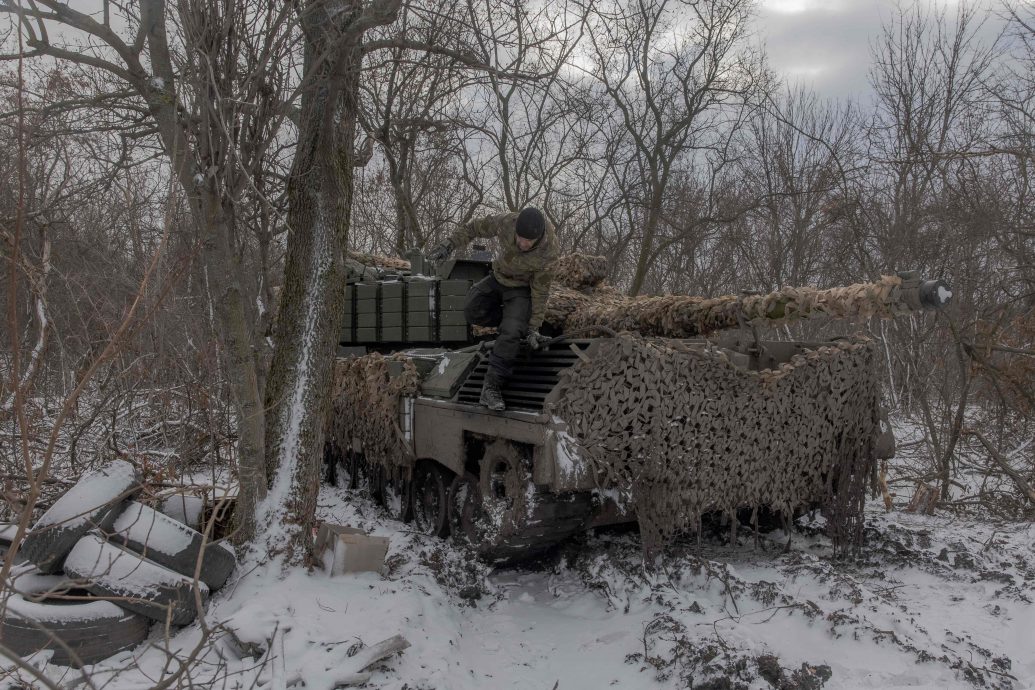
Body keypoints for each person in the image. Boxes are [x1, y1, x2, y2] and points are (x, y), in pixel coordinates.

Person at [427, 207, 557, 411]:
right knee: (471, 309)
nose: (522, 244)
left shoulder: (548, 252)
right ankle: (513, 322)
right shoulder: (506, 222)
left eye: (528, 241)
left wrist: (533, 327)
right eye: (520, 238)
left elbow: (541, 291)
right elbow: (474, 227)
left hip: (521, 290)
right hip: (497, 277)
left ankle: (491, 388)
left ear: (538, 238)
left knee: (512, 332)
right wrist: (449, 243)